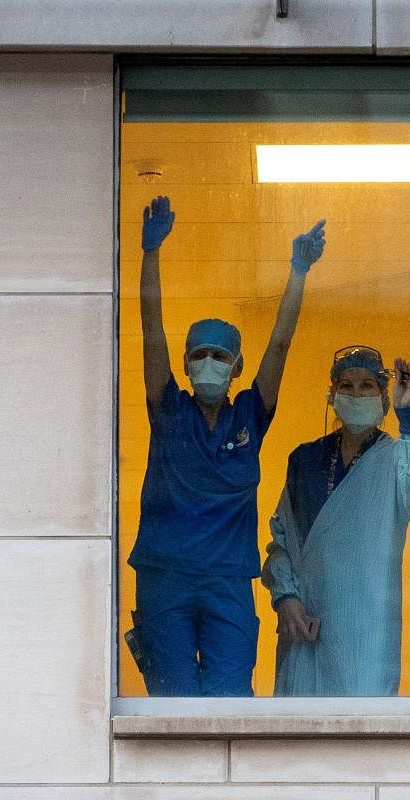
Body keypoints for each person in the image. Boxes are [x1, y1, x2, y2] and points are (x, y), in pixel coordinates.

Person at [128, 196, 326, 696]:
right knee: (173, 702)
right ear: (187, 365)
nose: (209, 364)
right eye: (199, 355)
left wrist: (297, 272)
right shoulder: (169, 410)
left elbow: (280, 344)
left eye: (220, 356)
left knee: (231, 699)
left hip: (227, 582)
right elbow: (152, 330)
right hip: (165, 577)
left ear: (237, 366)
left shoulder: (249, 416)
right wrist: (150, 254)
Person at [262, 345, 410, 696]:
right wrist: (286, 598)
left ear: (383, 398)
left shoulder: (395, 459)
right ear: (332, 395)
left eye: (366, 386)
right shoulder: (305, 459)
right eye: (347, 385)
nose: (356, 394)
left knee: (362, 726)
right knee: (298, 734)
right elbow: (282, 539)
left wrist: (408, 414)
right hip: (305, 623)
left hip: (366, 631)